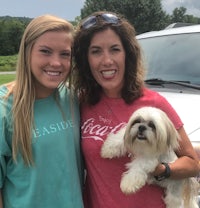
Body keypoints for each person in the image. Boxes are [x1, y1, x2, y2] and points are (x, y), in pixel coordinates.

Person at [72, 11, 200, 208]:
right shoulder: (81, 101)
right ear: (86, 59)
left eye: (115, 49)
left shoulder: (155, 104)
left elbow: (193, 164)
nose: (107, 60)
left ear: (127, 55)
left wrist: (159, 169)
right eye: (96, 51)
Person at [0, 14, 84, 208]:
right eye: (45, 51)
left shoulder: (72, 98)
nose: (56, 63)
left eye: (65, 54)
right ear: (27, 52)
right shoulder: (4, 107)